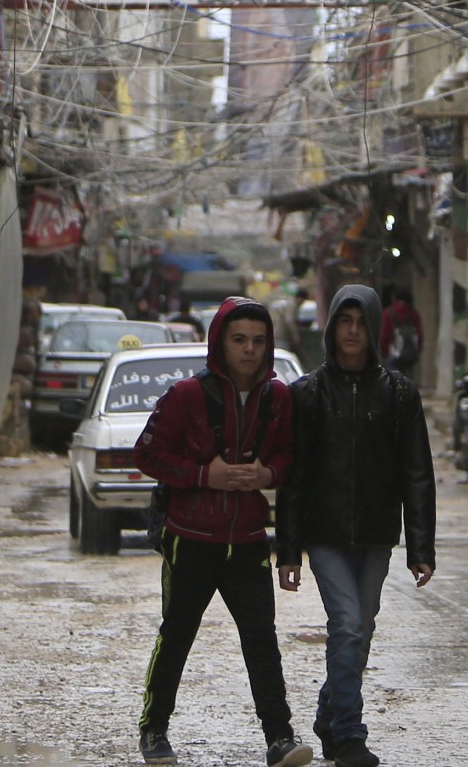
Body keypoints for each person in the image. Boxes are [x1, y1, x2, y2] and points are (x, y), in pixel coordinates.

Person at [130, 297, 312, 767]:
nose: (249, 350)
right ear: (220, 343)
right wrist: (202, 475)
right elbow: (146, 454)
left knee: (261, 640)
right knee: (177, 634)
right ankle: (154, 730)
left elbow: (291, 457)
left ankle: (280, 738)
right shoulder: (187, 395)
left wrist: (267, 474)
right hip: (189, 536)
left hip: (249, 539)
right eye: (239, 340)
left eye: (258, 341)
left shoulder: (278, 398)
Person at [277, 286, 435, 767]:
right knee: (346, 625)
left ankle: (329, 714)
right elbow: (293, 478)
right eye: (344, 321)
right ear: (331, 328)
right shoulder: (306, 394)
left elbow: (416, 472)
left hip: (376, 534)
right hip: (324, 536)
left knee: (360, 630)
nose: (352, 331)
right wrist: (288, 551)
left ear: (374, 329)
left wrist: (421, 547)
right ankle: (349, 734)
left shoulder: (399, 394)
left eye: (361, 322)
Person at [377, 286, 423, 380]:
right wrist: (416, 351)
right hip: (409, 355)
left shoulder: (388, 312)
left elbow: (384, 336)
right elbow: (419, 334)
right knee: (408, 383)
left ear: (395, 298)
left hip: (393, 353)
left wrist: (384, 353)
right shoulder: (414, 314)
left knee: (392, 382)